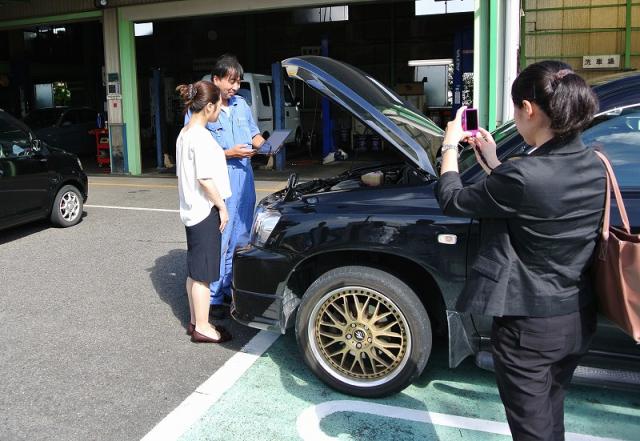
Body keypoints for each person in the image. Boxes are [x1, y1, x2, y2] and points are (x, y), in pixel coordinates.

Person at [436, 60, 605, 440]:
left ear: (528, 109)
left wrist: (448, 145)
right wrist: (495, 163)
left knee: (531, 429)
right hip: (576, 318)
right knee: (550, 415)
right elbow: (541, 200)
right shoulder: (594, 162)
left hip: (529, 327)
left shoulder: (523, 176)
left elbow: (452, 199)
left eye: (516, 109)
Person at [185, 54, 266, 317]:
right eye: (230, 81)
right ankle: (213, 298)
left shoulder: (242, 105)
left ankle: (232, 289)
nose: (235, 87)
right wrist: (229, 153)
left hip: (245, 179)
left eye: (238, 82)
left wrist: (266, 144)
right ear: (216, 79)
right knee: (220, 238)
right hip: (221, 180)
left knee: (241, 237)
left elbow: (254, 134)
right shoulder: (202, 107)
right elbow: (196, 147)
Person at [176, 80, 232, 343]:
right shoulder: (200, 137)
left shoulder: (185, 133)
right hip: (204, 210)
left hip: (190, 209)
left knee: (194, 271)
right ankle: (202, 327)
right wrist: (221, 206)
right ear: (209, 106)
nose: (220, 110)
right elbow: (205, 179)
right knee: (204, 275)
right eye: (219, 105)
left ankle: (194, 320)